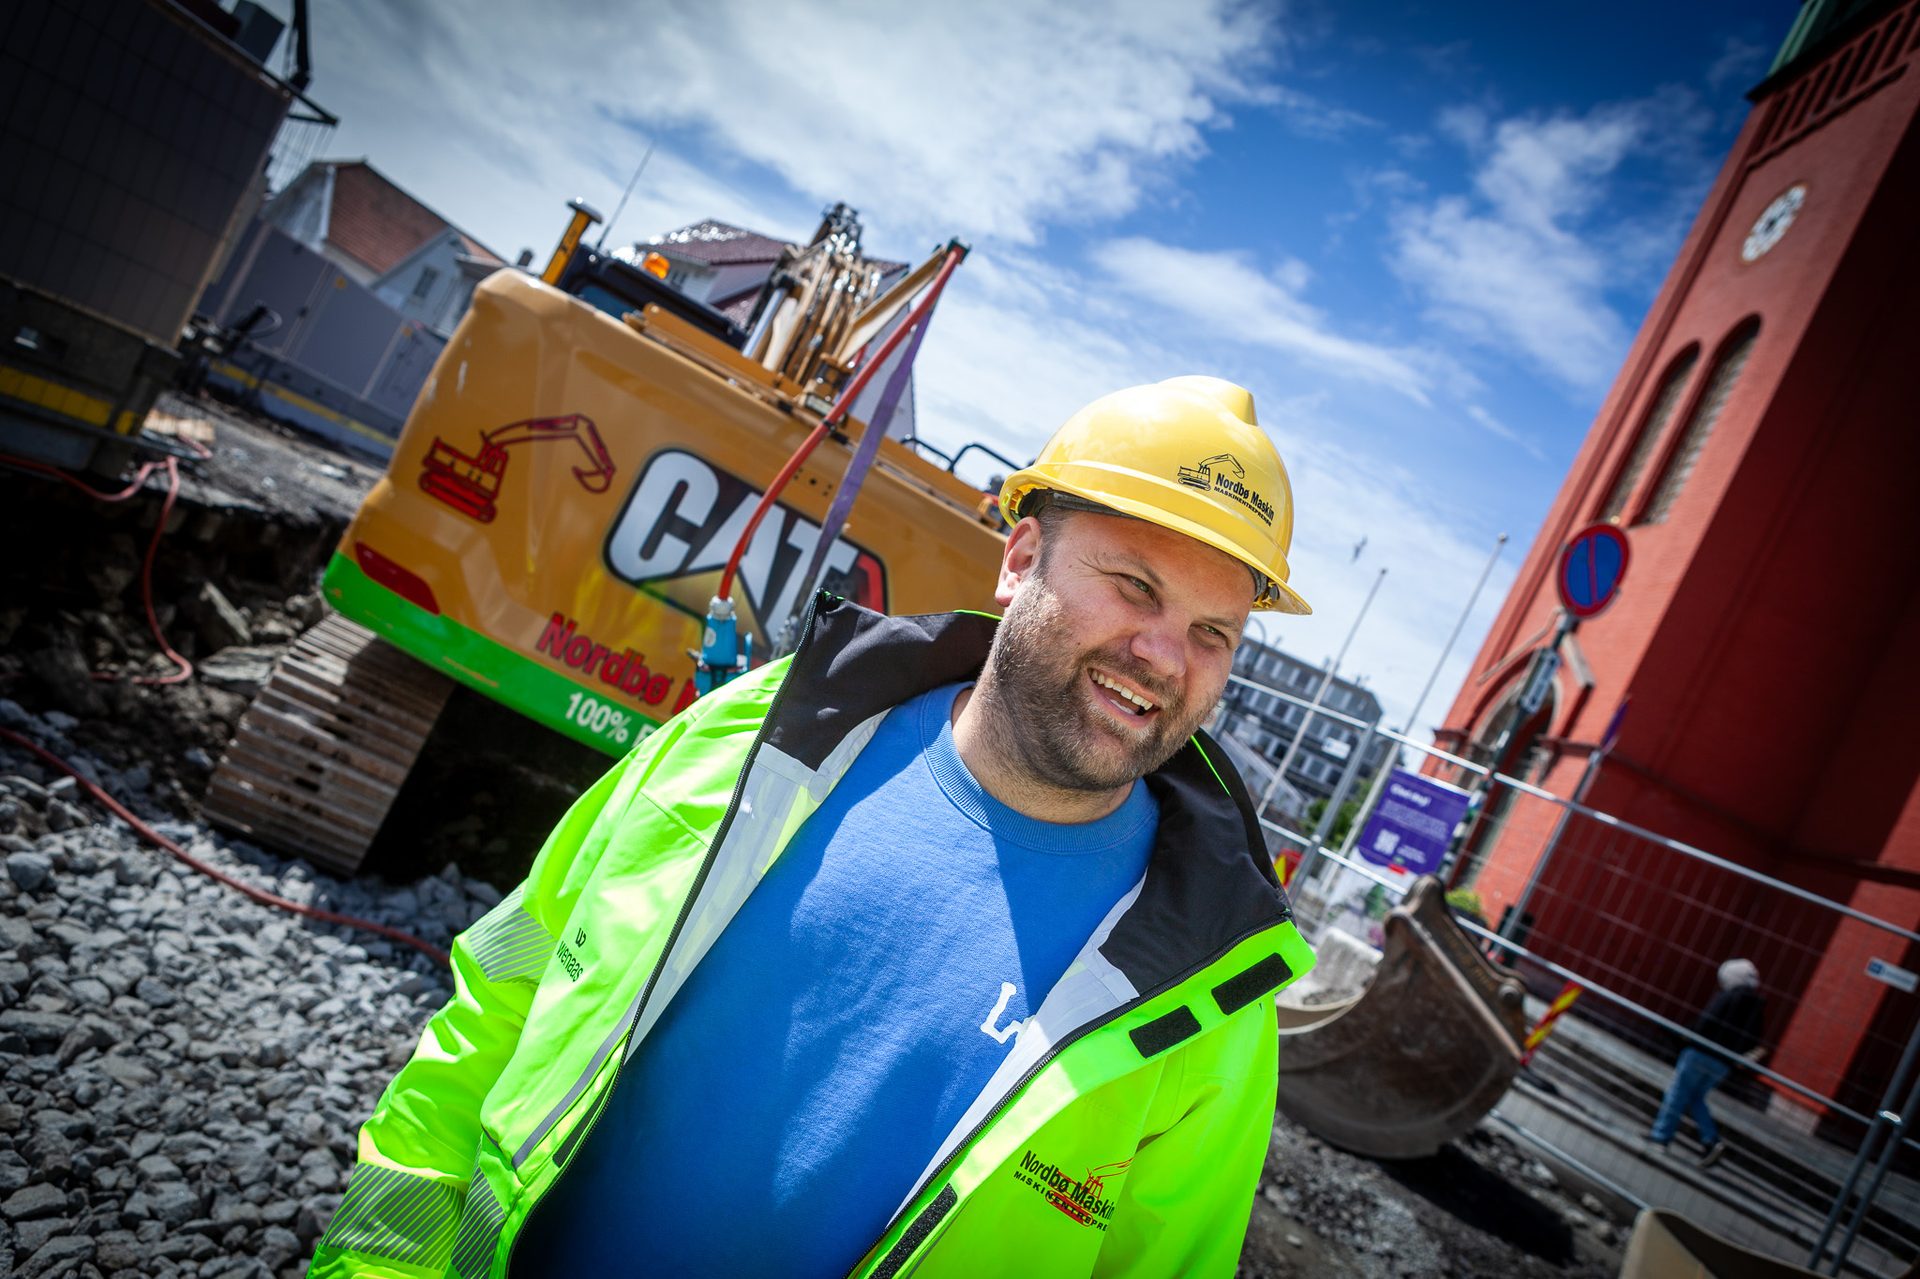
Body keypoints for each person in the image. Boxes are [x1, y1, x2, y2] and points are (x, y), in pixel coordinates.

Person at [311, 376, 1319, 1279]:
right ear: (1019, 559)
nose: (1161, 655)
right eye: (1135, 585)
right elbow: (503, 1002)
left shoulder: (1209, 995)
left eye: (1211, 633)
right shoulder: (751, 741)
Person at [1649, 958, 1766, 1168]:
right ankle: (1710, 1141)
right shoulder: (1756, 1007)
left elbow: (1706, 1022)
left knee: (1678, 1093)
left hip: (1700, 1052)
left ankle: (1660, 1137)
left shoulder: (1727, 997)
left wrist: (1685, 1037)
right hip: (1723, 1063)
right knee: (1696, 1098)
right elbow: (1752, 1040)